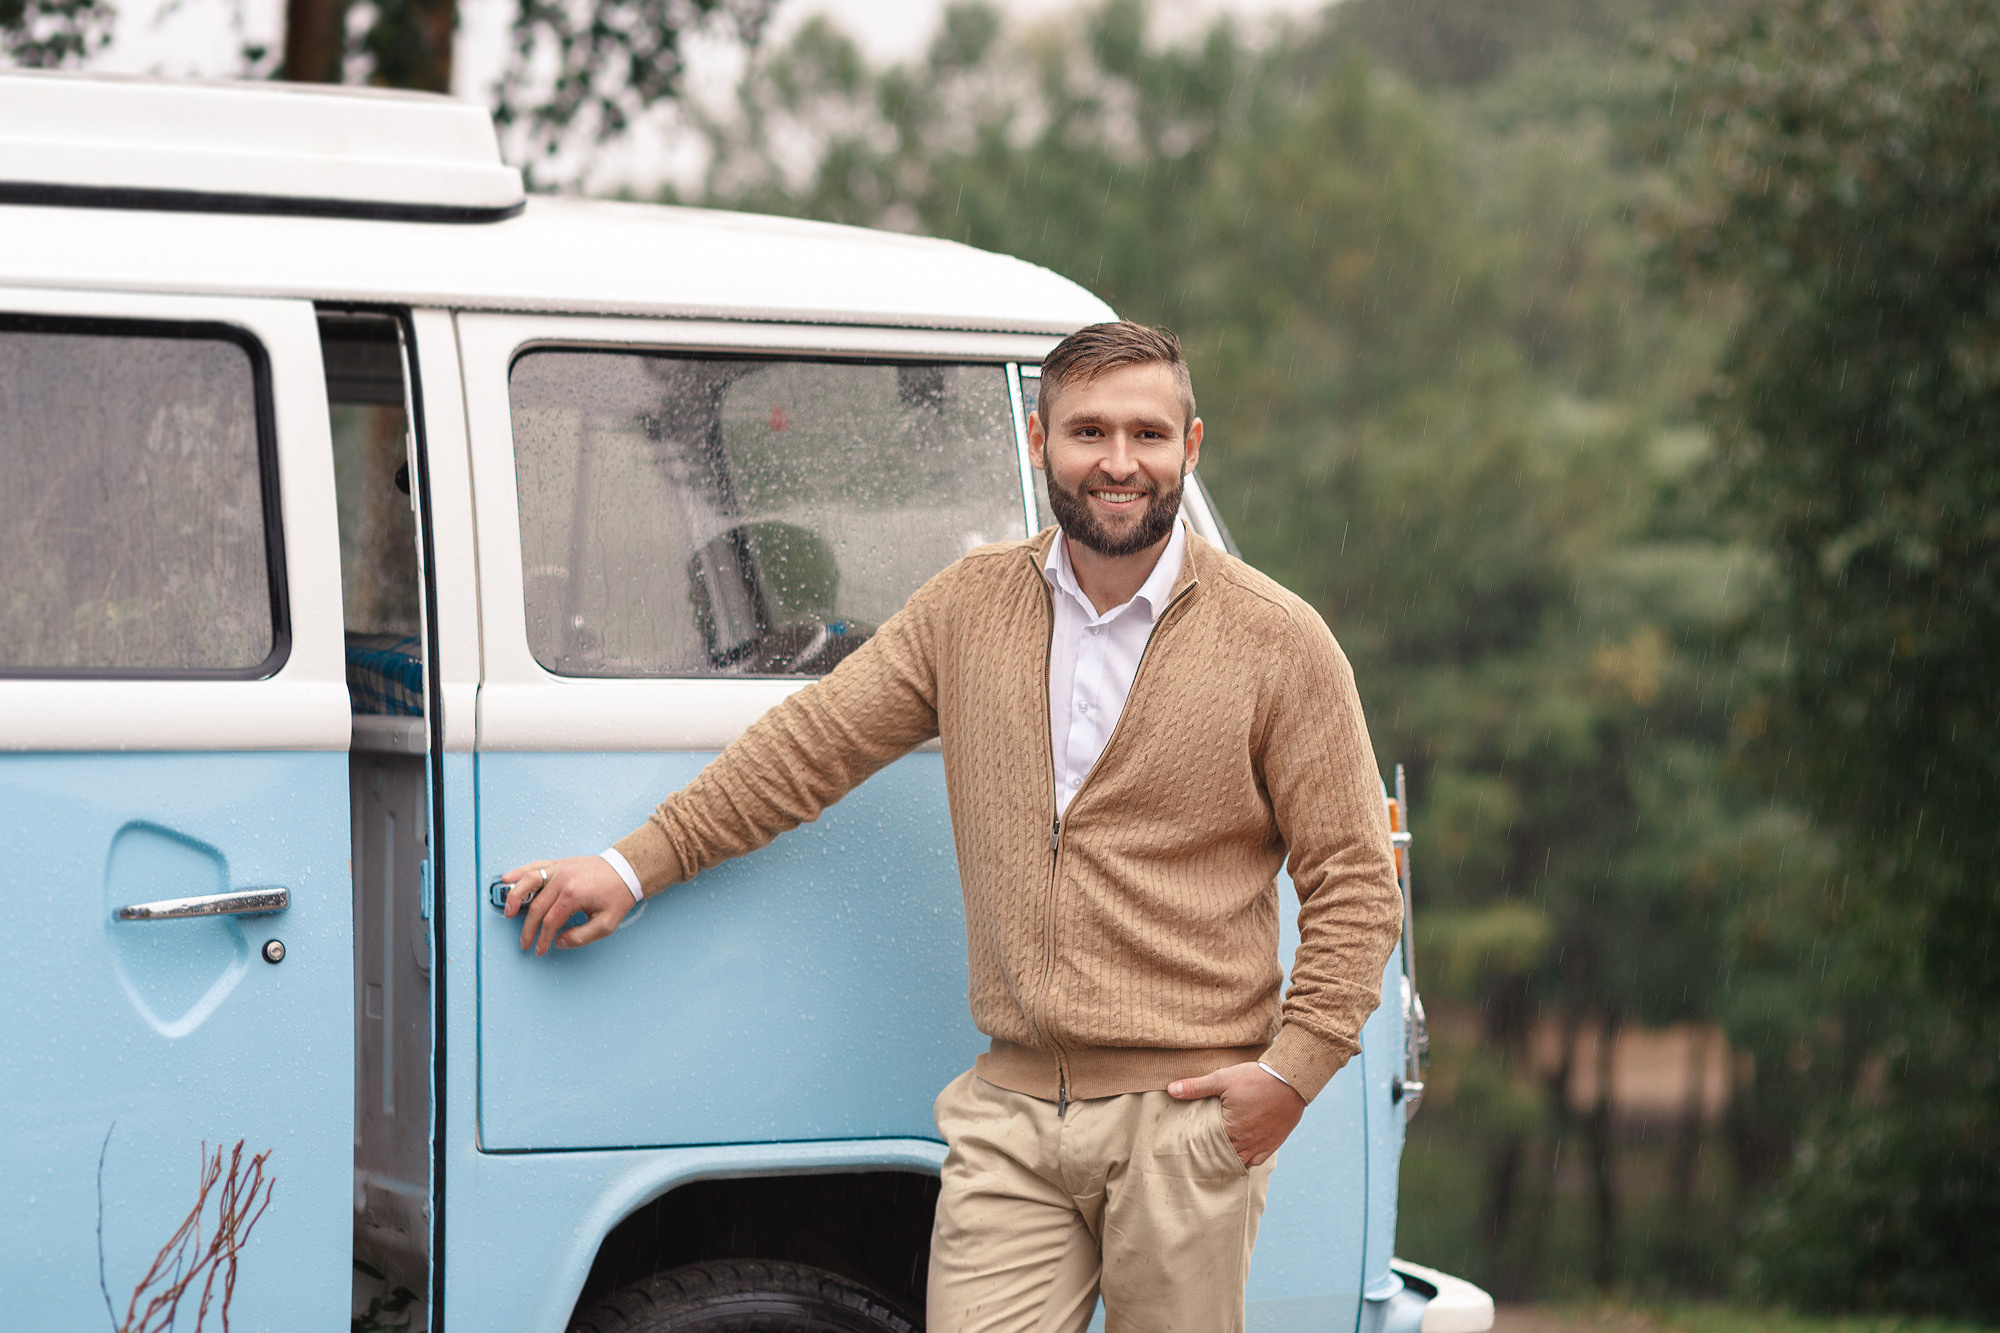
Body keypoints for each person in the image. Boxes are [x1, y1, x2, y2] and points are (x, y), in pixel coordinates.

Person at [501, 321, 1403, 1332]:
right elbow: (813, 743)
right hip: (1010, 1112)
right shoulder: (968, 607)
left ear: (1188, 448)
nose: (1117, 462)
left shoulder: (1278, 641)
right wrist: (634, 864)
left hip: (1185, 1116)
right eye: (1087, 431)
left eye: (1146, 436)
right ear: (1037, 441)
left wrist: (1293, 1070)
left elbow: (1354, 879)